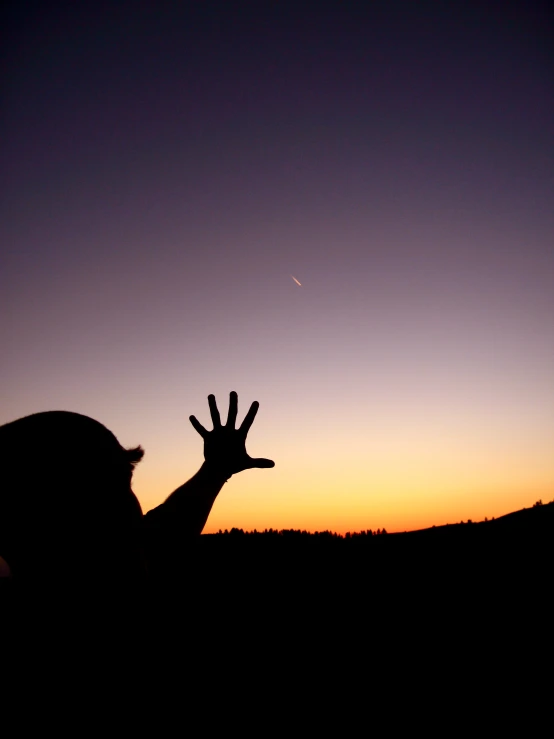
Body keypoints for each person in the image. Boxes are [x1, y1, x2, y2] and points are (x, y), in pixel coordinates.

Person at [0, 392, 274, 580]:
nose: (129, 506)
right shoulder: (116, 557)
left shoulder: (121, 551)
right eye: (95, 490)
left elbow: (165, 534)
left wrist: (215, 469)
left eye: (125, 481)